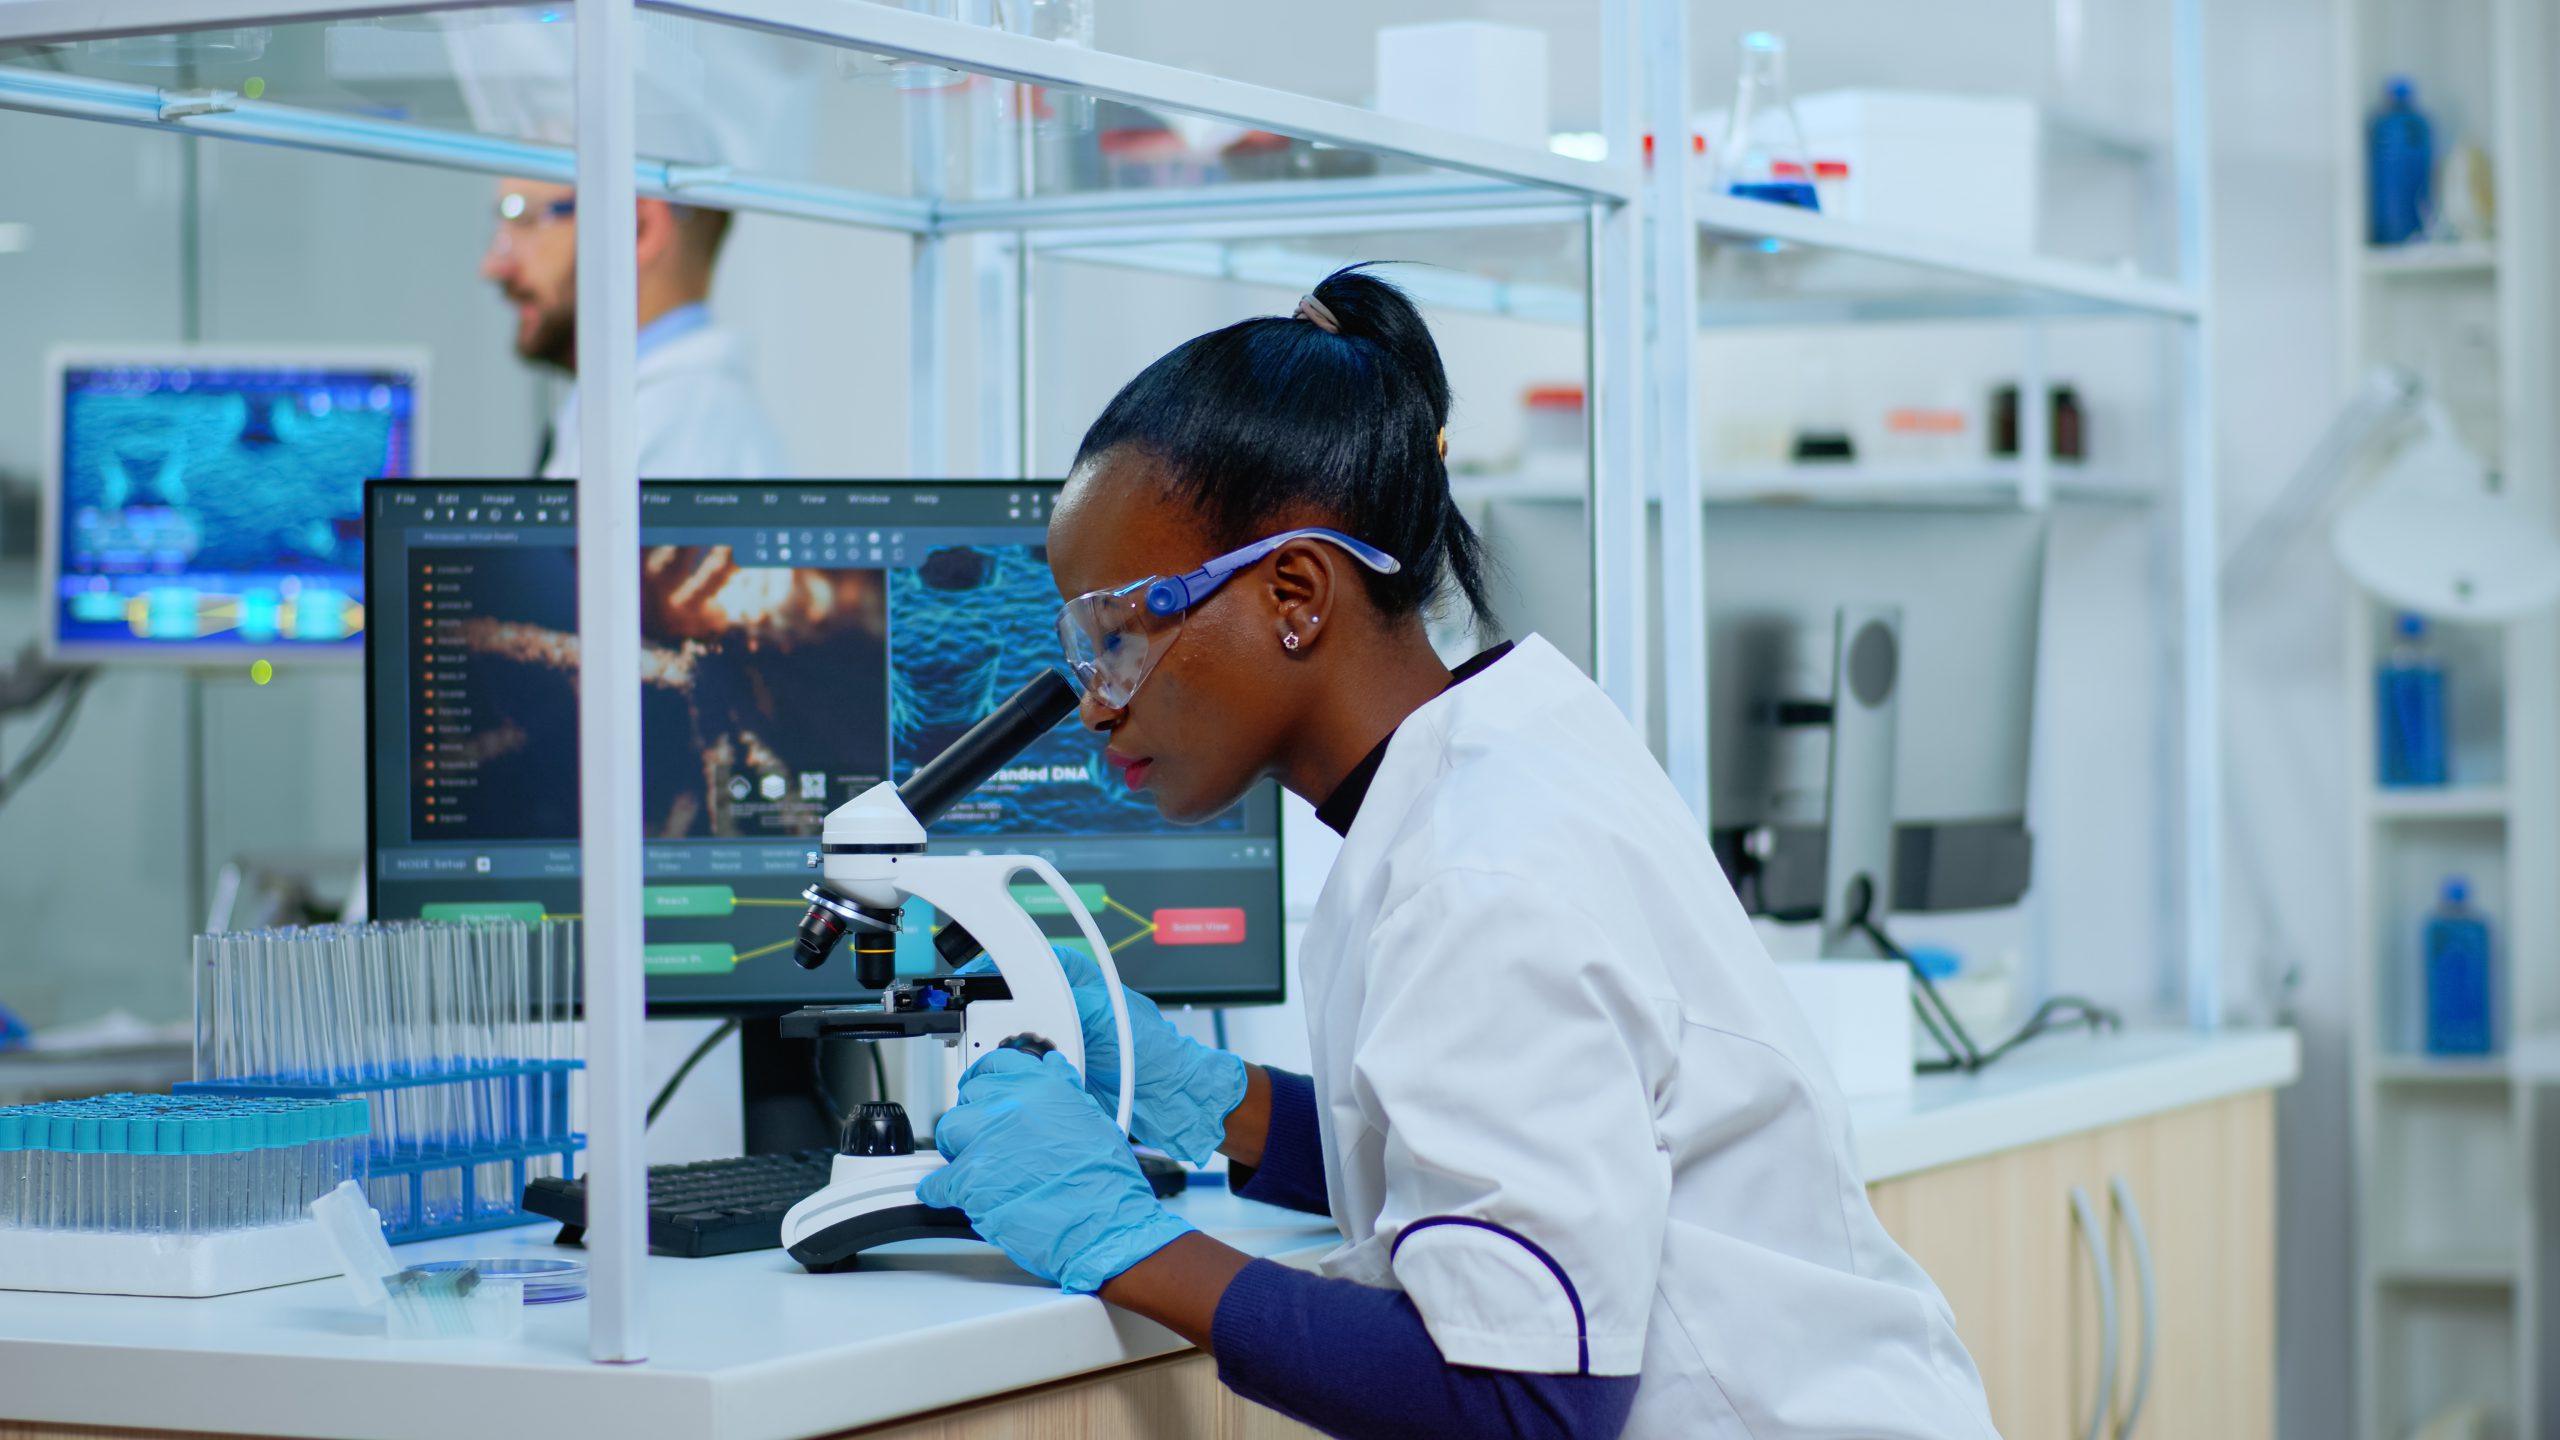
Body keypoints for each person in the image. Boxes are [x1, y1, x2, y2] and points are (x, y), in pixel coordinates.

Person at [915, 266, 2001, 1439]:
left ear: (1294, 593)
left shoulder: (1478, 875)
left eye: (1117, 635)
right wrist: (1212, 1100)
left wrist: (1120, 1241)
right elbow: (1482, 1173)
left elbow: (1522, 1402)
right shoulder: (1491, 758)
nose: (1094, 703)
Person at [480, 177, 789, 480]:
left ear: (635, 226)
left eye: (522, 217)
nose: (492, 266)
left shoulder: (684, 434)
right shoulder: (643, 412)